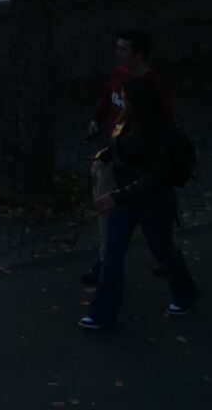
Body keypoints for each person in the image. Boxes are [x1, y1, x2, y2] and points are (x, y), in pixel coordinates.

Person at [80, 79, 200, 331]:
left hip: (152, 203)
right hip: (125, 199)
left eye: (125, 96)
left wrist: (117, 196)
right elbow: (115, 148)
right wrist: (102, 158)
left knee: (163, 251)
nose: (121, 100)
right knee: (112, 254)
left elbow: (156, 178)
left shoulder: (157, 133)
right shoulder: (126, 122)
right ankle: (102, 312)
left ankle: (185, 292)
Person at [82, 28, 172, 286]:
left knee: (148, 215)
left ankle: (167, 258)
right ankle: (107, 260)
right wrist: (96, 120)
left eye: (123, 48)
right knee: (109, 210)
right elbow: (107, 100)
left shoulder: (152, 85)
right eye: (117, 47)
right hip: (116, 157)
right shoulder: (119, 75)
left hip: (140, 163)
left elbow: (163, 124)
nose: (117, 52)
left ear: (138, 54)